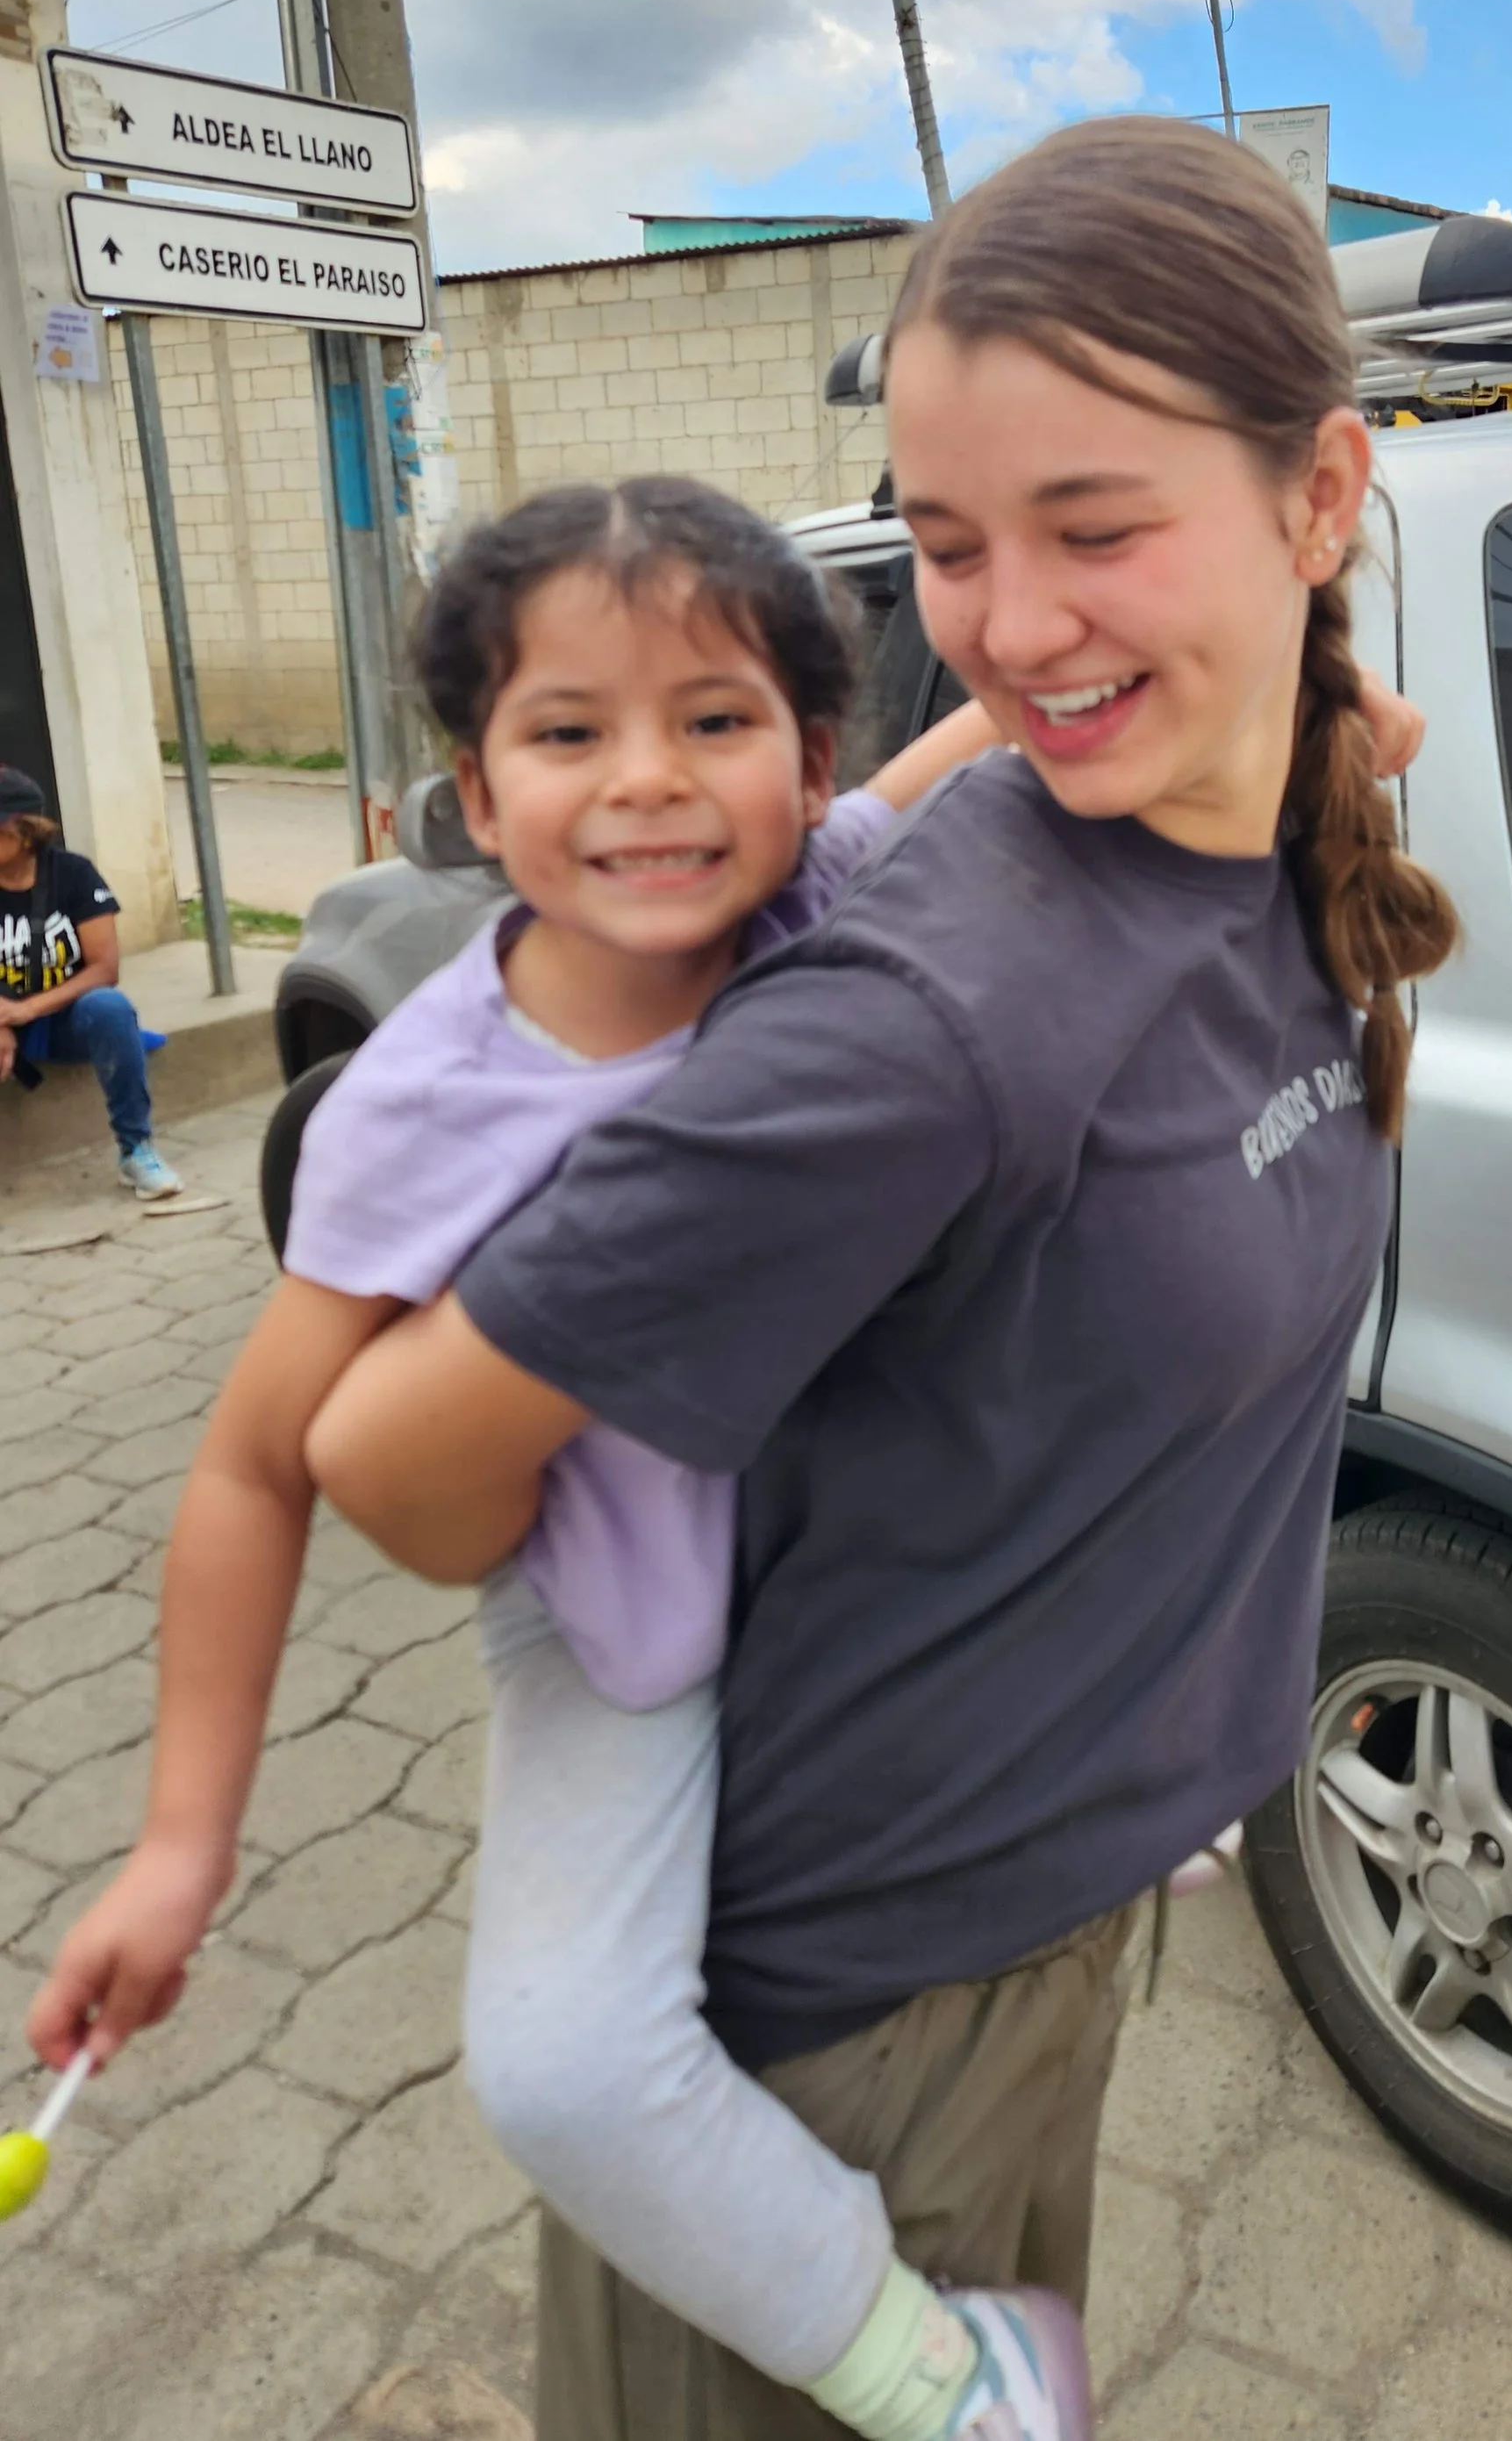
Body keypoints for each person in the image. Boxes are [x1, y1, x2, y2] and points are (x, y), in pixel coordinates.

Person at [29, 468, 1428, 2441]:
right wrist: (183, 1845)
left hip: (845, 1569)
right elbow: (262, 1470)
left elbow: (983, 751)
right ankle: (922, 2360)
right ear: (467, 789)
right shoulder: (420, 1105)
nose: (650, 785)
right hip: (615, 1638)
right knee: (564, 2072)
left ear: (804, 751)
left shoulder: (824, 898)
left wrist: (1294, 714)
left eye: (713, 721)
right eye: (569, 730)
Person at [285, 116, 1461, 2441]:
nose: (1010, 624)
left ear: (1317, 497)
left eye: (1090, 526)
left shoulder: (1275, 806)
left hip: (1051, 1926)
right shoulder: (918, 1032)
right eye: (944, 547)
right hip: (825, 2047)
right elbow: (393, 1470)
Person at [0, 766, 183, 1199]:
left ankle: (135, 1150)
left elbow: (105, 968)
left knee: (109, 1008)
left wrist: (25, 1010)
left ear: (23, 831)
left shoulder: (73, 874)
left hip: (61, 1019)